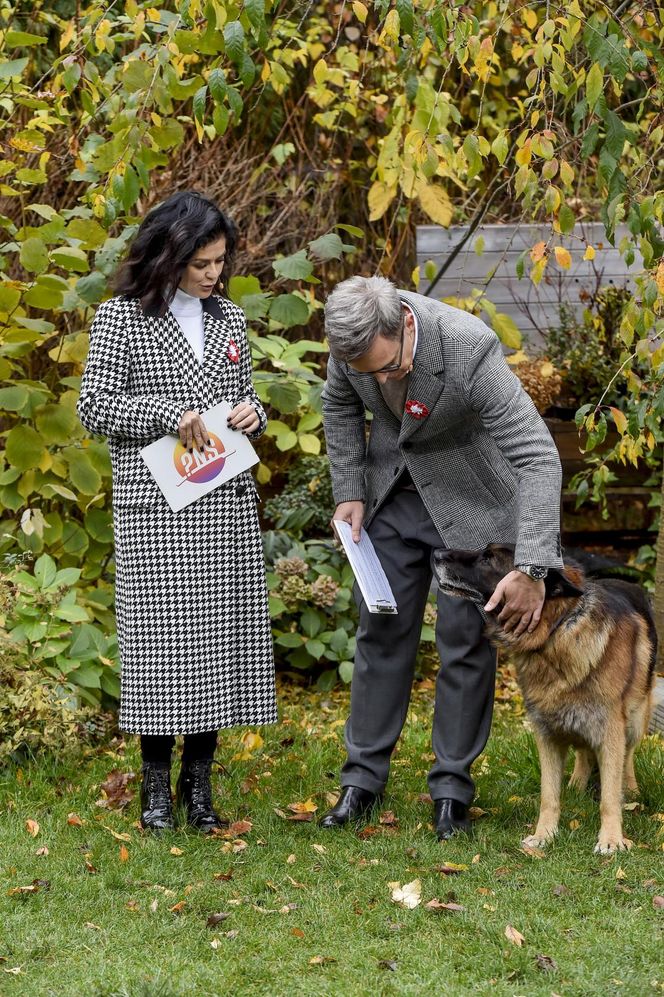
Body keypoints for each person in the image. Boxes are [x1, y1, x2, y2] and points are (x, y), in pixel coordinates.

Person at [318, 275, 563, 839]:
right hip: (393, 497)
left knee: (465, 642)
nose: (379, 380)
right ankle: (361, 781)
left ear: (406, 322)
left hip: (472, 505)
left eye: (390, 367)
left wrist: (531, 567)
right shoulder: (351, 348)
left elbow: (537, 457)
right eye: (366, 372)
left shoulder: (468, 347)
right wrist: (349, 489)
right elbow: (338, 405)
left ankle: (451, 789)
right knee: (380, 632)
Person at [77, 191, 277, 833]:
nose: (213, 273)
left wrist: (254, 414)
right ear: (168, 255)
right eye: (200, 262)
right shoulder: (122, 317)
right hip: (156, 508)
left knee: (218, 647)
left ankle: (200, 787)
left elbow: (241, 398)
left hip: (223, 501)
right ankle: (156, 789)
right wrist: (169, 416)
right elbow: (94, 407)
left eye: (220, 260)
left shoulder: (229, 320)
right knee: (162, 648)